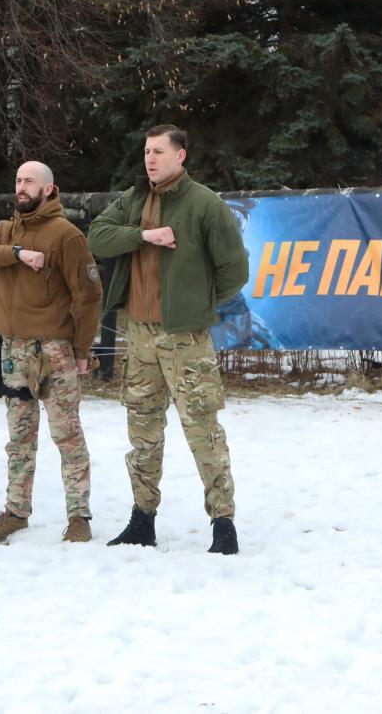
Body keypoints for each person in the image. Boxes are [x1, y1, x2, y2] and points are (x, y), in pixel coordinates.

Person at [88, 124, 249, 554]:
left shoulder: (204, 204)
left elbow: (235, 271)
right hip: (139, 335)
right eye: (146, 151)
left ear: (181, 156)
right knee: (142, 430)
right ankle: (143, 520)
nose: (150, 159)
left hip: (185, 338)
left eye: (159, 151)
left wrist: (196, 302)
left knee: (202, 429)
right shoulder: (136, 199)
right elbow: (98, 238)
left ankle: (223, 523)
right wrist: (143, 235)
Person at [0, 161, 103, 544]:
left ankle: (78, 517)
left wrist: (82, 350)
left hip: (52, 351)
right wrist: (17, 253)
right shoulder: (7, 230)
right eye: (18, 180)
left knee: (67, 436)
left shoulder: (66, 235)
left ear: (49, 189)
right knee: (19, 438)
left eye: (30, 182)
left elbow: (88, 298)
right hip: (12, 351)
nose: (21, 187)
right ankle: (16, 512)